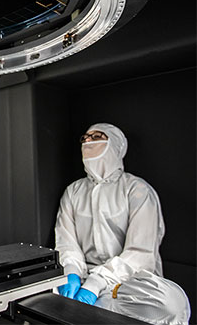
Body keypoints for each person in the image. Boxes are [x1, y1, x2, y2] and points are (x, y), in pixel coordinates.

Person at [55, 123, 190, 324]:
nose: (88, 141)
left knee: (171, 303)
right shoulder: (73, 191)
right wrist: (72, 273)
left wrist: (96, 283)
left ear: (116, 145)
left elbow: (140, 253)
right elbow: (67, 242)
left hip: (127, 284)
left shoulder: (138, 190)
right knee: (31, 295)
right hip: (81, 279)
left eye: (97, 136)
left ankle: (90, 312)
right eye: (85, 138)